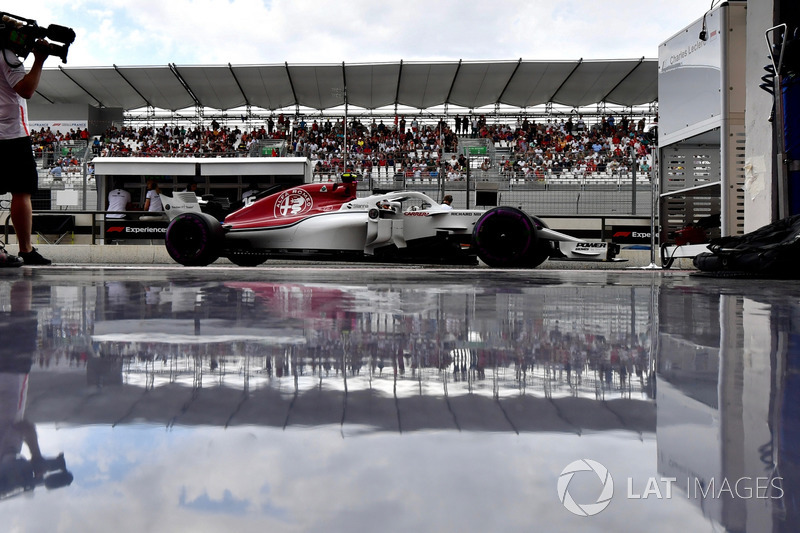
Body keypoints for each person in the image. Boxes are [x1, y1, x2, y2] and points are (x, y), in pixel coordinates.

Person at [0, 39, 52, 265]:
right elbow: (26, 89)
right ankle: (26, 249)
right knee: (21, 192)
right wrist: (39, 60)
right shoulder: (7, 56)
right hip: (11, 134)